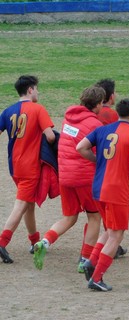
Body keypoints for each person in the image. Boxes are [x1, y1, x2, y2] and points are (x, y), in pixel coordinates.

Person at [77, 98, 129, 292]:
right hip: (117, 191)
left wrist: (97, 159)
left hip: (98, 188)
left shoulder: (101, 130)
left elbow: (80, 147)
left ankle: (90, 262)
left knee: (109, 230)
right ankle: (96, 277)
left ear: (118, 112)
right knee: (116, 235)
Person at [33, 86, 105, 271]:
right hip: (84, 178)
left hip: (65, 177)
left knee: (69, 217)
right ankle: (84, 260)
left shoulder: (68, 119)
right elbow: (96, 151)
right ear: (97, 104)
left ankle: (45, 242)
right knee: (94, 217)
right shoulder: (95, 124)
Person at [0, 75, 55, 263]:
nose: (38, 92)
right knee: (21, 205)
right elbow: (50, 136)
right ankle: (2, 242)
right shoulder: (38, 109)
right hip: (31, 167)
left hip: (14, 166)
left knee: (29, 205)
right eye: (37, 89)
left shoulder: (7, 111)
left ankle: (34, 241)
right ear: (30, 90)